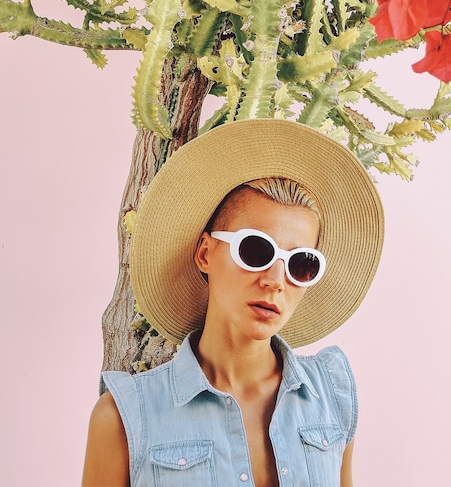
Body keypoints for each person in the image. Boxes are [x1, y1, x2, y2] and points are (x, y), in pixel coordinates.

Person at [82, 118, 384, 487]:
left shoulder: (332, 394)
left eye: (300, 264)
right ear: (205, 253)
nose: (275, 281)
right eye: (255, 250)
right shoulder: (124, 418)